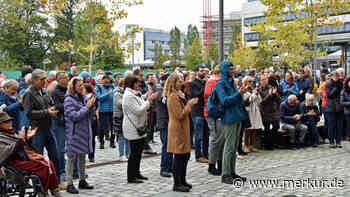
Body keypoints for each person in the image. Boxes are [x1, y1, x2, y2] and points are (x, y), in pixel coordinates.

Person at [0, 112, 62, 197]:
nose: (9, 123)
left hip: (22, 158)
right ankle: (42, 191)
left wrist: (27, 138)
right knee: (43, 166)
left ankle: (54, 189)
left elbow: (23, 147)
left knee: (49, 163)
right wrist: (21, 140)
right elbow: (7, 152)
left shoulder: (11, 132)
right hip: (13, 162)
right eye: (6, 122)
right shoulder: (2, 136)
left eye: (10, 121)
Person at [164, 74, 198, 192]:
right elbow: (179, 115)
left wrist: (189, 103)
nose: (182, 83)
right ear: (173, 83)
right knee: (178, 157)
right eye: (179, 81)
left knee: (185, 156)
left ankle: (182, 180)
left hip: (184, 128)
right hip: (177, 129)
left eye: (182, 81)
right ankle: (177, 183)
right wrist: (189, 105)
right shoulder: (173, 97)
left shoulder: (180, 94)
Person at [22, 69, 59, 175]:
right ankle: (40, 185)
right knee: (39, 158)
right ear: (34, 80)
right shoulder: (28, 93)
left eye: (45, 78)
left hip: (48, 127)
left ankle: (56, 181)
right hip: (37, 130)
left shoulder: (45, 91)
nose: (45, 80)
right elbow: (28, 113)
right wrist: (46, 112)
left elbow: (51, 103)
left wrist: (52, 108)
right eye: (42, 79)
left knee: (55, 156)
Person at [122, 75, 158, 184]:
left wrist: (146, 96)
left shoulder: (134, 93)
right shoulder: (128, 95)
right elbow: (138, 110)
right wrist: (149, 100)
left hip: (139, 126)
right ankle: (131, 177)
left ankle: (136, 173)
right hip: (133, 128)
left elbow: (140, 101)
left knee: (138, 153)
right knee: (134, 154)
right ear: (132, 83)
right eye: (137, 83)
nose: (139, 85)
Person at [216, 61, 247, 184]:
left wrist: (241, 94)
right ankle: (225, 174)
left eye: (233, 68)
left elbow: (236, 100)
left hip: (237, 115)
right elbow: (224, 101)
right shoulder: (220, 84)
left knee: (234, 147)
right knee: (229, 147)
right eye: (230, 69)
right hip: (228, 117)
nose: (232, 71)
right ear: (224, 70)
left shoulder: (231, 82)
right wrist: (238, 94)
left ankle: (232, 172)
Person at [64, 77, 95, 194]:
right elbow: (74, 116)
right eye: (79, 85)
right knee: (71, 158)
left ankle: (82, 180)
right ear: (73, 87)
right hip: (74, 133)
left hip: (84, 132)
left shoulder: (82, 98)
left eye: (82, 85)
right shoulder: (68, 100)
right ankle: (69, 183)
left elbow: (89, 115)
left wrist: (91, 106)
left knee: (82, 157)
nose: (82, 87)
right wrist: (87, 107)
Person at [204, 65, 224, 176]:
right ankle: (212, 165)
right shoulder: (212, 82)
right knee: (215, 139)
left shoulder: (217, 82)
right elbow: (208, 95)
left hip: (219, 113)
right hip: (213, 114)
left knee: (221, 139)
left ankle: (220, 163)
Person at [50, 71, 69, 188]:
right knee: (60, 149)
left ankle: (69, 171)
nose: (67, 79)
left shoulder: (67, 90)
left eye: (67, 77)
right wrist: (68, 103)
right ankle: (60, 173)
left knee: (68, 148)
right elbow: (56, 106)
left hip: (68, 122)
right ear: (59, 80)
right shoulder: (55, 92)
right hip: (59, 123)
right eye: (64, 78)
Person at [189, 65, 208, 163]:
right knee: (198, 135)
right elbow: (197, 95)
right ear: (196, 72)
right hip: (197, 112)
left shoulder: (205, 82)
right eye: (201, 71)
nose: (203, 72)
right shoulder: (192, 84)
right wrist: (205, 86)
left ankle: (206, 154)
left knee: (206, 135)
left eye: (204, 71)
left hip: (205, 111)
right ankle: (198, 155)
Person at [155, 74, 173, 178]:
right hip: (164, 122)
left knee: (170, 146)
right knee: (166, 146)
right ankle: (164, 168)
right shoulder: (162, 92)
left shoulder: (168, 92)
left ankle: (170, 167)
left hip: (170, 122)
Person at [242, 76, 264, 152]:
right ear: (245, 82)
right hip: (248, 111)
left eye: (252, 81)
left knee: (254, 129)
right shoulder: (244, 90)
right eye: (249, 81)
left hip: (255, 111)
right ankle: (245, 145)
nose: (251, 83)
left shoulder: (253, 90)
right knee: (248, 129)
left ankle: (251, 145)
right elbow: (247, 101)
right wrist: (254, 94)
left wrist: (257, 94)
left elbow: (259, 101)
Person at [259, 74, 281, 150]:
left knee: (276, 126)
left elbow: (279, 99)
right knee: (267, 129)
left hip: (273, 112)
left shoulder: (271, 88)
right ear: (260, 81)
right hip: (265, 112)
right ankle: (268, 145)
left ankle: (269, 142)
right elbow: (262, 102)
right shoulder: (259, 90)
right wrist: (269, 95)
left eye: (265, 79)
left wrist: (275, 94)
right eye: (262, 79)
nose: (264, 81)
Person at [325, 71, 344, 148]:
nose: (337, 77)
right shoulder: (329, 84)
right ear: (332, 76)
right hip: (331, 107)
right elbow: (329, 95)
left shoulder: (340, 83)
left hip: (339, 107)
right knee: (331, 125)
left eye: (338, 76)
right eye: (335, 76)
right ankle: (331, 142)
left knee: (339, 125)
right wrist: (335, 89)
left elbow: (342, 92)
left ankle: (338, 141)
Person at [96, 75, 115, 149]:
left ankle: (112, 142)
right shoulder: (99, 88)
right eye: (105, 80)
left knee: (113, 127)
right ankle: (101, 142)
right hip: (102, 111)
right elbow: (99, 98)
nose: (107, 81)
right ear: (102, 81)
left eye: (108, 80)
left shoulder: (112, 87)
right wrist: (107, 94)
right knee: (102, 127)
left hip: (112, 110)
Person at [113, 78, 130, 161]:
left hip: (126, 116)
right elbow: (119, 104)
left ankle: (128, 153)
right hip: (119, 117)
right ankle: (121, 154)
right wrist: (128, 100)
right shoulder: (117, 93)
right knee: (121, 136)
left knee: (127, 136)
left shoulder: (125, 93)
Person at [82, 83, 99, 163]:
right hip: (85, 119)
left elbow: (94, 107)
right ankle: (85, 155)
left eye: (83, 88)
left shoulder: (92, 97)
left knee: (91, 139)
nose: (82, 89)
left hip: (92, 120)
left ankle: (91, 155)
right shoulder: (81, 97)